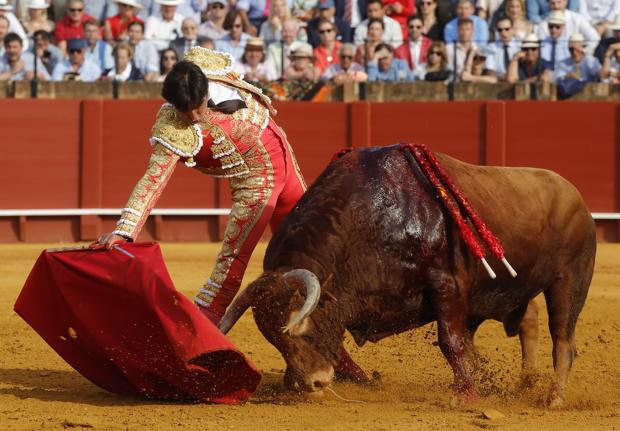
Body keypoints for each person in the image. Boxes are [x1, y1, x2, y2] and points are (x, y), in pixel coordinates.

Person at [95, 47, 368, 383]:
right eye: (187, 111)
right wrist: (125, 230)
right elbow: (152, 181)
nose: (196, 117)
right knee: (227, 275)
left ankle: (338, 359)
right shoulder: (172, 128)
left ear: (205, 89)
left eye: (197, 107)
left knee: (315, 260)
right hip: (255, 183)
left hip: (284, 158)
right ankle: (185, 357)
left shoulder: (207, 65)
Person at [485, 17, 520, 81]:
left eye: (507, 29)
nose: (503, 32)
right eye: (500, 30)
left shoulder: (520, 45)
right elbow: (490, 71)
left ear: (513, 29)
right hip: (499, 82)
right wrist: (505, 77)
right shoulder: (491, 47)